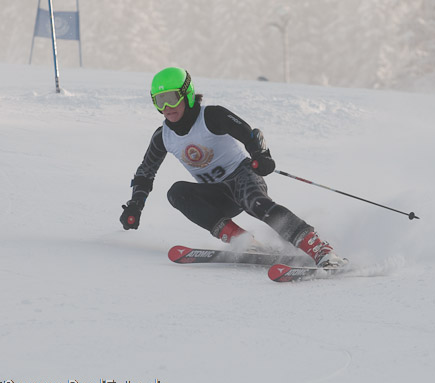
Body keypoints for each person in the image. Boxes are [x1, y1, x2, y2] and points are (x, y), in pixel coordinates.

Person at [120, 67, 345, 268]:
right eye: (159, 101)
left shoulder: (211, 116)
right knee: (177, 193)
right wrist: (135, 205)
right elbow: (145, 172)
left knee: (256, 204)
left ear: (186, 94)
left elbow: (249, 134)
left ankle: (320, 249)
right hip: (217, 194)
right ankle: (243, 240)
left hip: (243, 176)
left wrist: (261, 155)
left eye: (170, 98)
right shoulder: (163, 136)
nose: (166, 107)